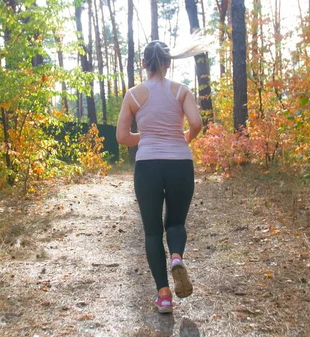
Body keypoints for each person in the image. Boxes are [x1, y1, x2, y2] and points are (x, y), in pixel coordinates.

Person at [116, 40, 203, 314]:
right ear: (168, 63)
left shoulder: (133, 95)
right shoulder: (181, 91)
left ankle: (164, 296)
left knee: (153, 231)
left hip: (148, 167)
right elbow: (197, 123)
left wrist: (149, 135)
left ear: (144, 63)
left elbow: (121, 137)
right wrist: (185, 137)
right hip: (180, 164)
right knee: (175, 223)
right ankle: (176, 257)